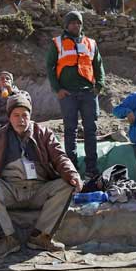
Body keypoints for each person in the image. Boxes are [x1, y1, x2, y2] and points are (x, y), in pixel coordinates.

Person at [0, 94, 82, 259]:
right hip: (10, 188)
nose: (21, 120)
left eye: (24, 115)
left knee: (66, 184)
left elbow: (60, 157)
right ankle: (7, 239)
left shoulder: (44, 133)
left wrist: (72, 174)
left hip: (39, 189)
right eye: (16, 115)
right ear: (9, 117)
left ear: (30, 116)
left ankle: (41, 236)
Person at [46, 11, 105, 179]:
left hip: (88, 93)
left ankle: (91, 168)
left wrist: (99, 85)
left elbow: (98, 65)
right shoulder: (57, 43)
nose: (75, 25)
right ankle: (71, 168)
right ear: (66, 25)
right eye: (72, 23)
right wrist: (58, 89)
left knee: (91, 131)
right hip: (68, 94)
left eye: (78, 22)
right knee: (70, 131)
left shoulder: (91, 43)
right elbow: (50, 67)